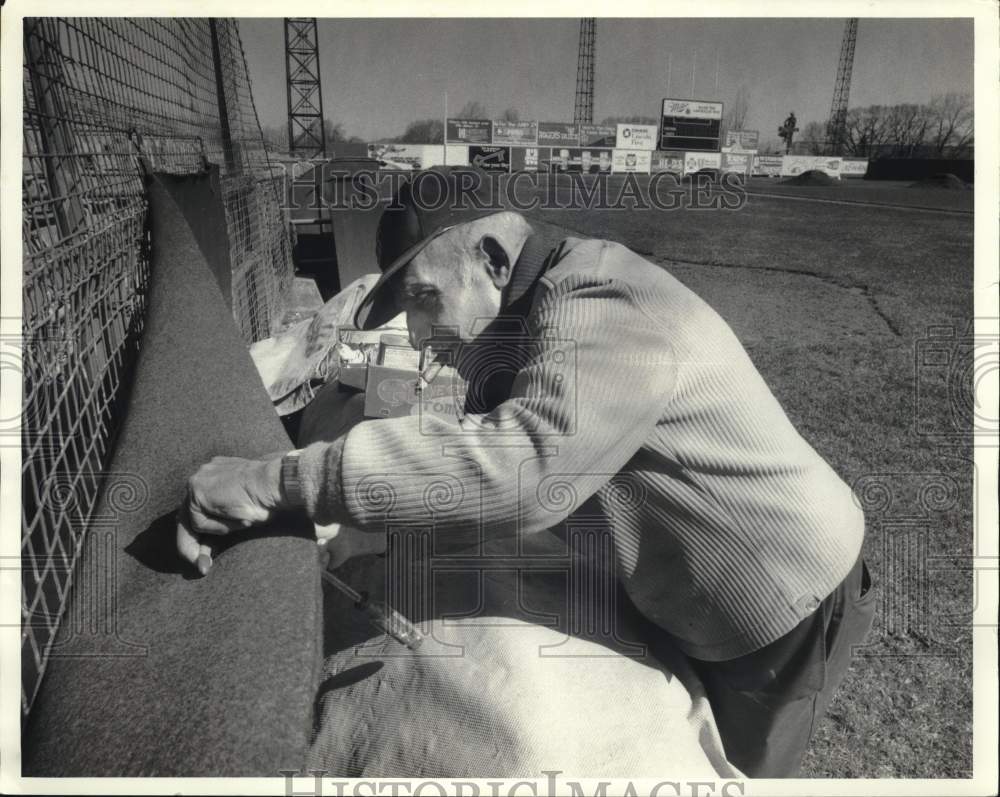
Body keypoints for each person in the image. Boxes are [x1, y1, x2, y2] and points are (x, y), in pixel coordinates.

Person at [178, 167, 875, 777]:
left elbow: (522, 469)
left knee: (733, 767)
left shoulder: (606, 301)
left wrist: (280, 480)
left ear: (492, 260)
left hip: (782, 601)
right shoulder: (523, 325)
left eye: (423, 300)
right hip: (694, 586)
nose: (416, 335)